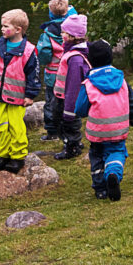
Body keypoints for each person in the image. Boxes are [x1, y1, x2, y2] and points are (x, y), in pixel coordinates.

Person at [74, 39, 133, 201]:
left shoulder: (89, 83)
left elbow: (80, 109)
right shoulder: (122, 80)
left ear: (90, 60)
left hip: (97, 131)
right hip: (118, 129)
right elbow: (132, 101)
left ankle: (100, 189)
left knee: (97, 156)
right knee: (117, 152)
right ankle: (113, 174)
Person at [0, 9, 40, 173]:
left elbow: (33, 75)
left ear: (18, 29)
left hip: (17, 98)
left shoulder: (28, 51)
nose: (2, 29)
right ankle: (3, 154)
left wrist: (30, 94)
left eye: (5, 26)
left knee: (16, 127)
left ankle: (18, 156)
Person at [53, 13, 90, 160]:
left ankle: (72, 147)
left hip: (67, 97)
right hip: (61, 94)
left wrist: (69, 108)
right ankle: (73, 142)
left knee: (68, 122)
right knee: (58, 118)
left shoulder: (74, 58)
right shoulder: (70, 51)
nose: (61, 34)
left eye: (63, 32)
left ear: (72, 36)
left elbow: (74, 85)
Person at [36, 0, 72, 141]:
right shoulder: (71, 29)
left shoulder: (47, 33)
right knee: (67, 100)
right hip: (69, 72)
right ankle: (67, 128)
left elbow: (44, 54)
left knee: (51, 101)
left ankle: (52, 131)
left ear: (50, 13)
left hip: (53, 73)